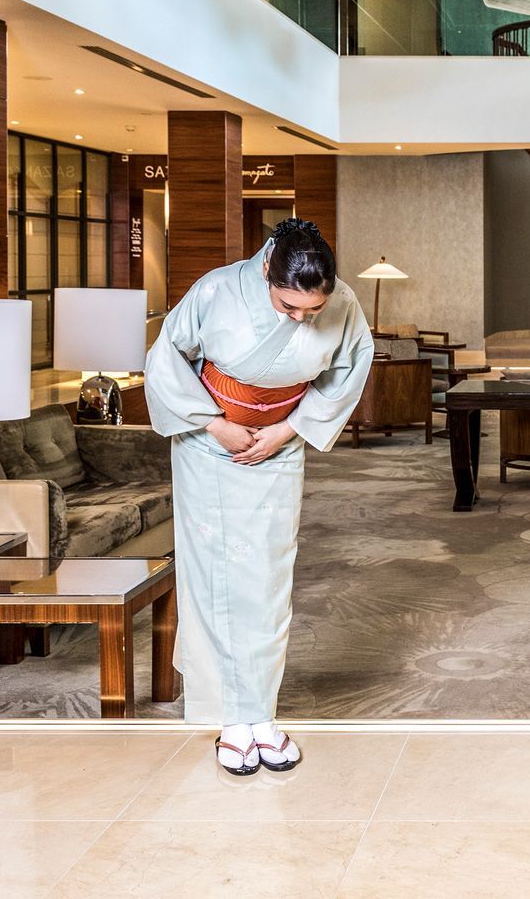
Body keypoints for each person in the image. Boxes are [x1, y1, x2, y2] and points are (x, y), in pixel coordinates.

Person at [145, 219, 374, 775]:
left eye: (310, 313)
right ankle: (230, 721)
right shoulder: (217, 290)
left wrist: (287, 430)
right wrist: (212, 424)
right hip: (208, 445)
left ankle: (261, 715)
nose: (298, 318)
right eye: (287, 306)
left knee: (267, 579)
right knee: (212, 576)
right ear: (268, 267)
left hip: (278, 443)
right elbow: (165, 358)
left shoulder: (342, 302)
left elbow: (348, 370)